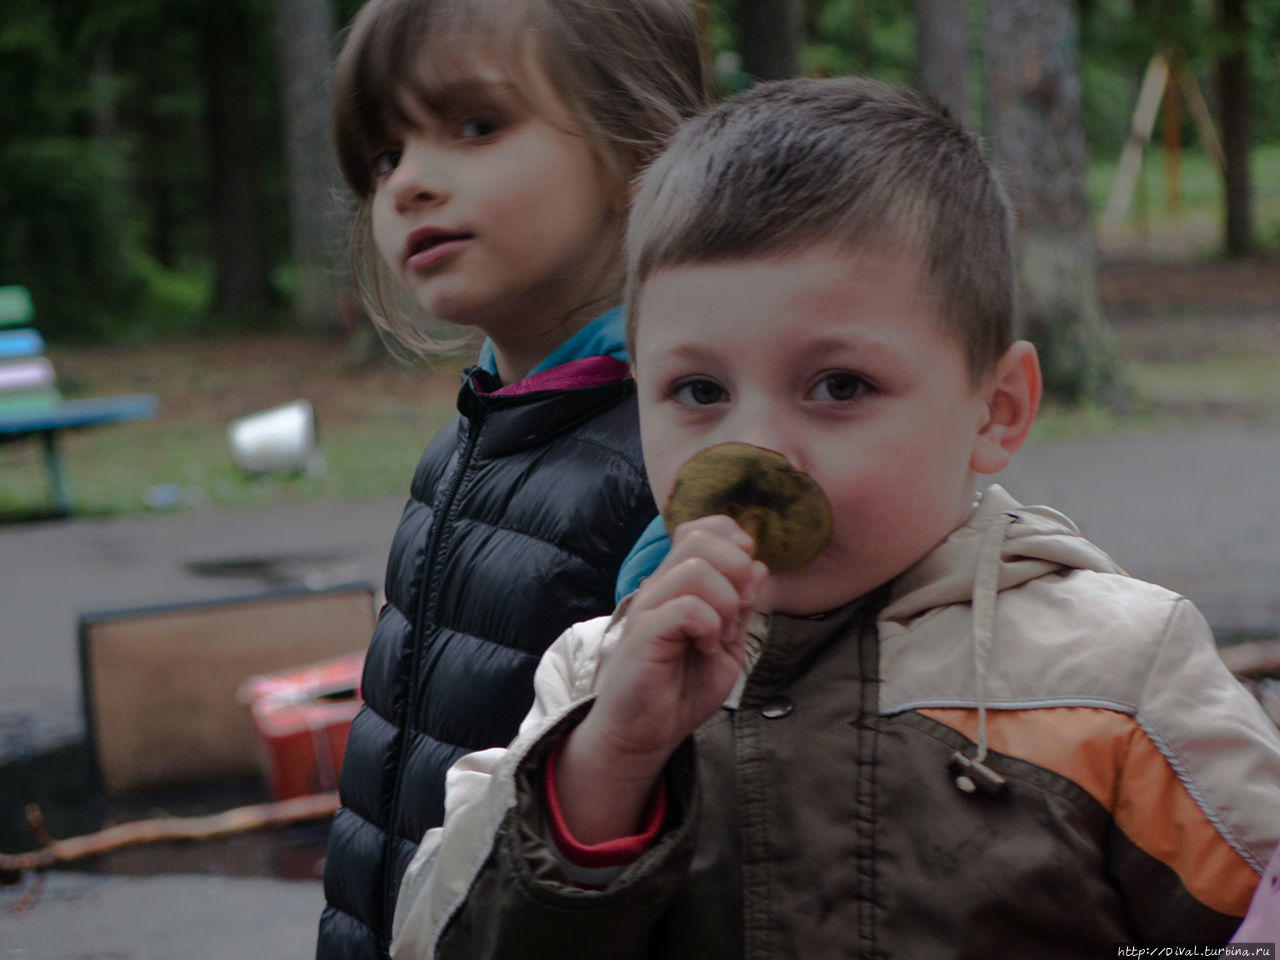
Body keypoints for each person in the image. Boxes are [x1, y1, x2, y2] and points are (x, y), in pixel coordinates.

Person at [390, 76, 1280, 959]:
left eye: (839, 386)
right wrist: (608, 765)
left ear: (996, 409)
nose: (760, 454)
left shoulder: (1116, 676)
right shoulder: (597, 677)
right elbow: (434, 936)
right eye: (698, 391)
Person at [316, 2, 710, 957]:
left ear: (639, 151)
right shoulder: (465, 445)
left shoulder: (679, 469)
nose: (408, 183)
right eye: (385, 155)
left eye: (475, 126)